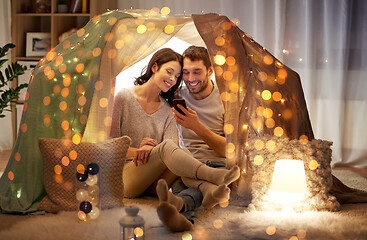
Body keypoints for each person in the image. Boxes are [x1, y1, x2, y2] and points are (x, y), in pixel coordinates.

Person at [109, 48, 240, 208]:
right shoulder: (124, 97)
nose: (173, 79)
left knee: (182, 154)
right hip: (124, 177)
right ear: (155, 67)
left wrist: (153, 150)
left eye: (177, 76)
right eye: (171, 72)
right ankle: (212, 177)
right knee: (180, 157)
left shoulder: (168, 108)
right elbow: (109, 146)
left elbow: (170, 149)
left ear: (210, 71)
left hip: (156, 181)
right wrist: (140, 151)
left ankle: (208, 190)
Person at [156, 46, 229, 232]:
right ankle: (185, 209)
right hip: (187, 164)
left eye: (197, 72)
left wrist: (196, 126)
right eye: (186, 72)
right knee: (181, 182)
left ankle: (180, 207)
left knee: (186, 185)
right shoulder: (177, 95)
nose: (190, 79)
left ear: (210, 71)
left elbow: (229, 150)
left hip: (216, 164)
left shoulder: (226, 100)